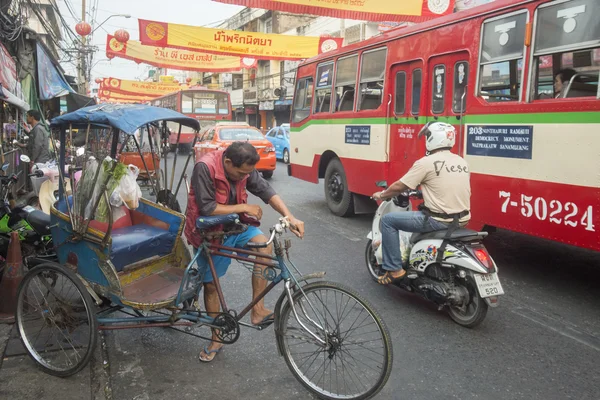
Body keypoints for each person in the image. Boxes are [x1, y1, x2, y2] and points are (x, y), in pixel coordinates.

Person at [185, 141, 305, 362]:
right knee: (211, 286)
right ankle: (216, 337)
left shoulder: (244, 169)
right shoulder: (205, 167)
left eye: (247, 174)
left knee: (264, 245)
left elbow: (265, 190)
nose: (244, 178)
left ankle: (257, 311)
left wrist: (290, 216)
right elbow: (207, 208)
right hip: (210, 233)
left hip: (236, 227)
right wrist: (243, 207)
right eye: (241, 174)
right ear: (228, 162)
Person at [372, 122, 470, 285]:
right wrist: (421, 193)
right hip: (462, 219)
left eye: (427, 136)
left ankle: (394, 269)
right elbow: (445, 187)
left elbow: (400, 186)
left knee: (388, 221)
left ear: (432, 139)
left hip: (439, 221)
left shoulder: (426, 162)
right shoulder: (461, 162)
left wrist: (382, 194)